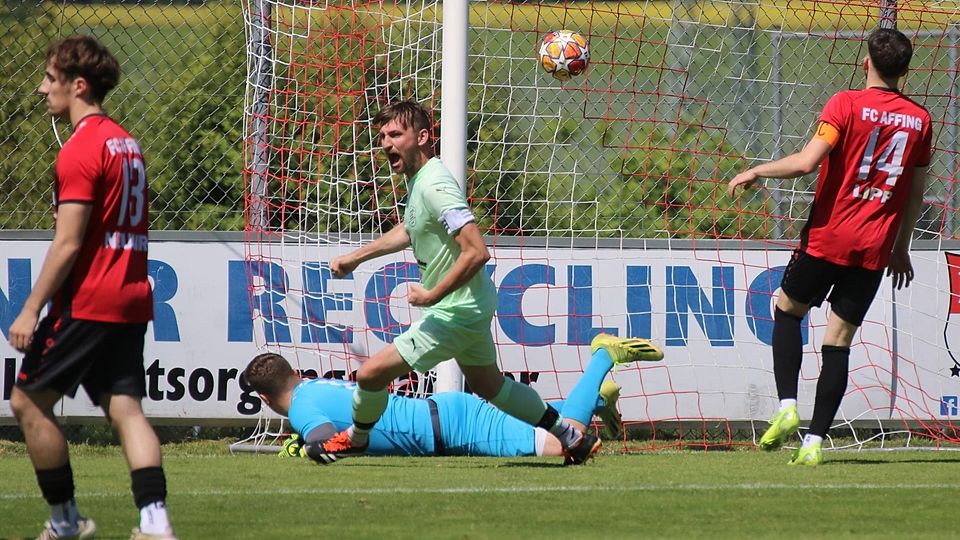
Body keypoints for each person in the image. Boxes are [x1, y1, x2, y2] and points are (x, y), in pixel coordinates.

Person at [323, 100, 656, 465]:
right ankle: (571, 437)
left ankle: (356, 438)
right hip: (471, 304)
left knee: (370, 374)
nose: (386, 143)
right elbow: (411, 230)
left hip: (456, 311)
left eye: (395, 134)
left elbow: (476, 251)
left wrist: (433, 293)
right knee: (489, 386)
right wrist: (356, 257)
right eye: (382, 136)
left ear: (422, 137)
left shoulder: (435, 184)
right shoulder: (421, 182)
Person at [728, 28, 932, 466]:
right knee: (838, 343)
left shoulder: (845, 103)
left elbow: (806, 163)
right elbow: (916, 193)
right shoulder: (921, 119)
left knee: (787, 310)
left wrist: (757, 171)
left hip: (827, 237)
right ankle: (816, 442)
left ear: (865, 62)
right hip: (875, 248)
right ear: (906, 70)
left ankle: (786, 407)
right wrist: (901, 246)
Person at [7, 36, 176, 539]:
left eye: (50, 79)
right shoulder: (127, 143)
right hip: (129, 296)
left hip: (88, 300)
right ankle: (155, 523)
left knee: (28, 402)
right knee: (125, 408)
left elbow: (68, 243)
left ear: (78, 85)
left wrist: (30, 308)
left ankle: (64, 521)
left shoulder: (80, 149)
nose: (41, 90)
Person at [242, 333, 663, 462]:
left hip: (452, 428)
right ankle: (598, 396)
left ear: (264, 398)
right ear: (296, 373)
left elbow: (324, 435)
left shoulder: (300, 408)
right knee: (561, 433)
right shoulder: (314, 387)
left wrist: (308, 448)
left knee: (567, 445)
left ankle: (602, 358)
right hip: (443, 416)